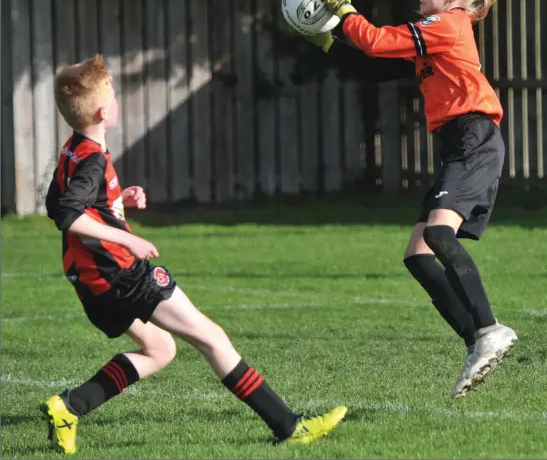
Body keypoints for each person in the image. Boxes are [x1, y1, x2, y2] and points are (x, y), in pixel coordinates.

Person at [41, 55, 346, 454]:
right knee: (212, 338)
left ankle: (70, 406)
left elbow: (56, 203)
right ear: (102, 111)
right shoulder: (94, 159)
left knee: (160, 349)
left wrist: (116, 201)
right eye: (113, 96)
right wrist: (130, 240)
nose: (116, 101)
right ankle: (289, 426)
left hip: (89, 281)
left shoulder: (73, 150)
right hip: (120, 273)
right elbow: (67, 214)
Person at [295, 0, 517, 397]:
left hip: (474, 138)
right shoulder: (436, 35)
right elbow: (375, 64)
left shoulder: (450, 24)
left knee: (437, 235)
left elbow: (377, 40)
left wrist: (343, 8)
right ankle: (477, 340)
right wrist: (330, 40)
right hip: (460, 143)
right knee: (418, 254)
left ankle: (490, 328)